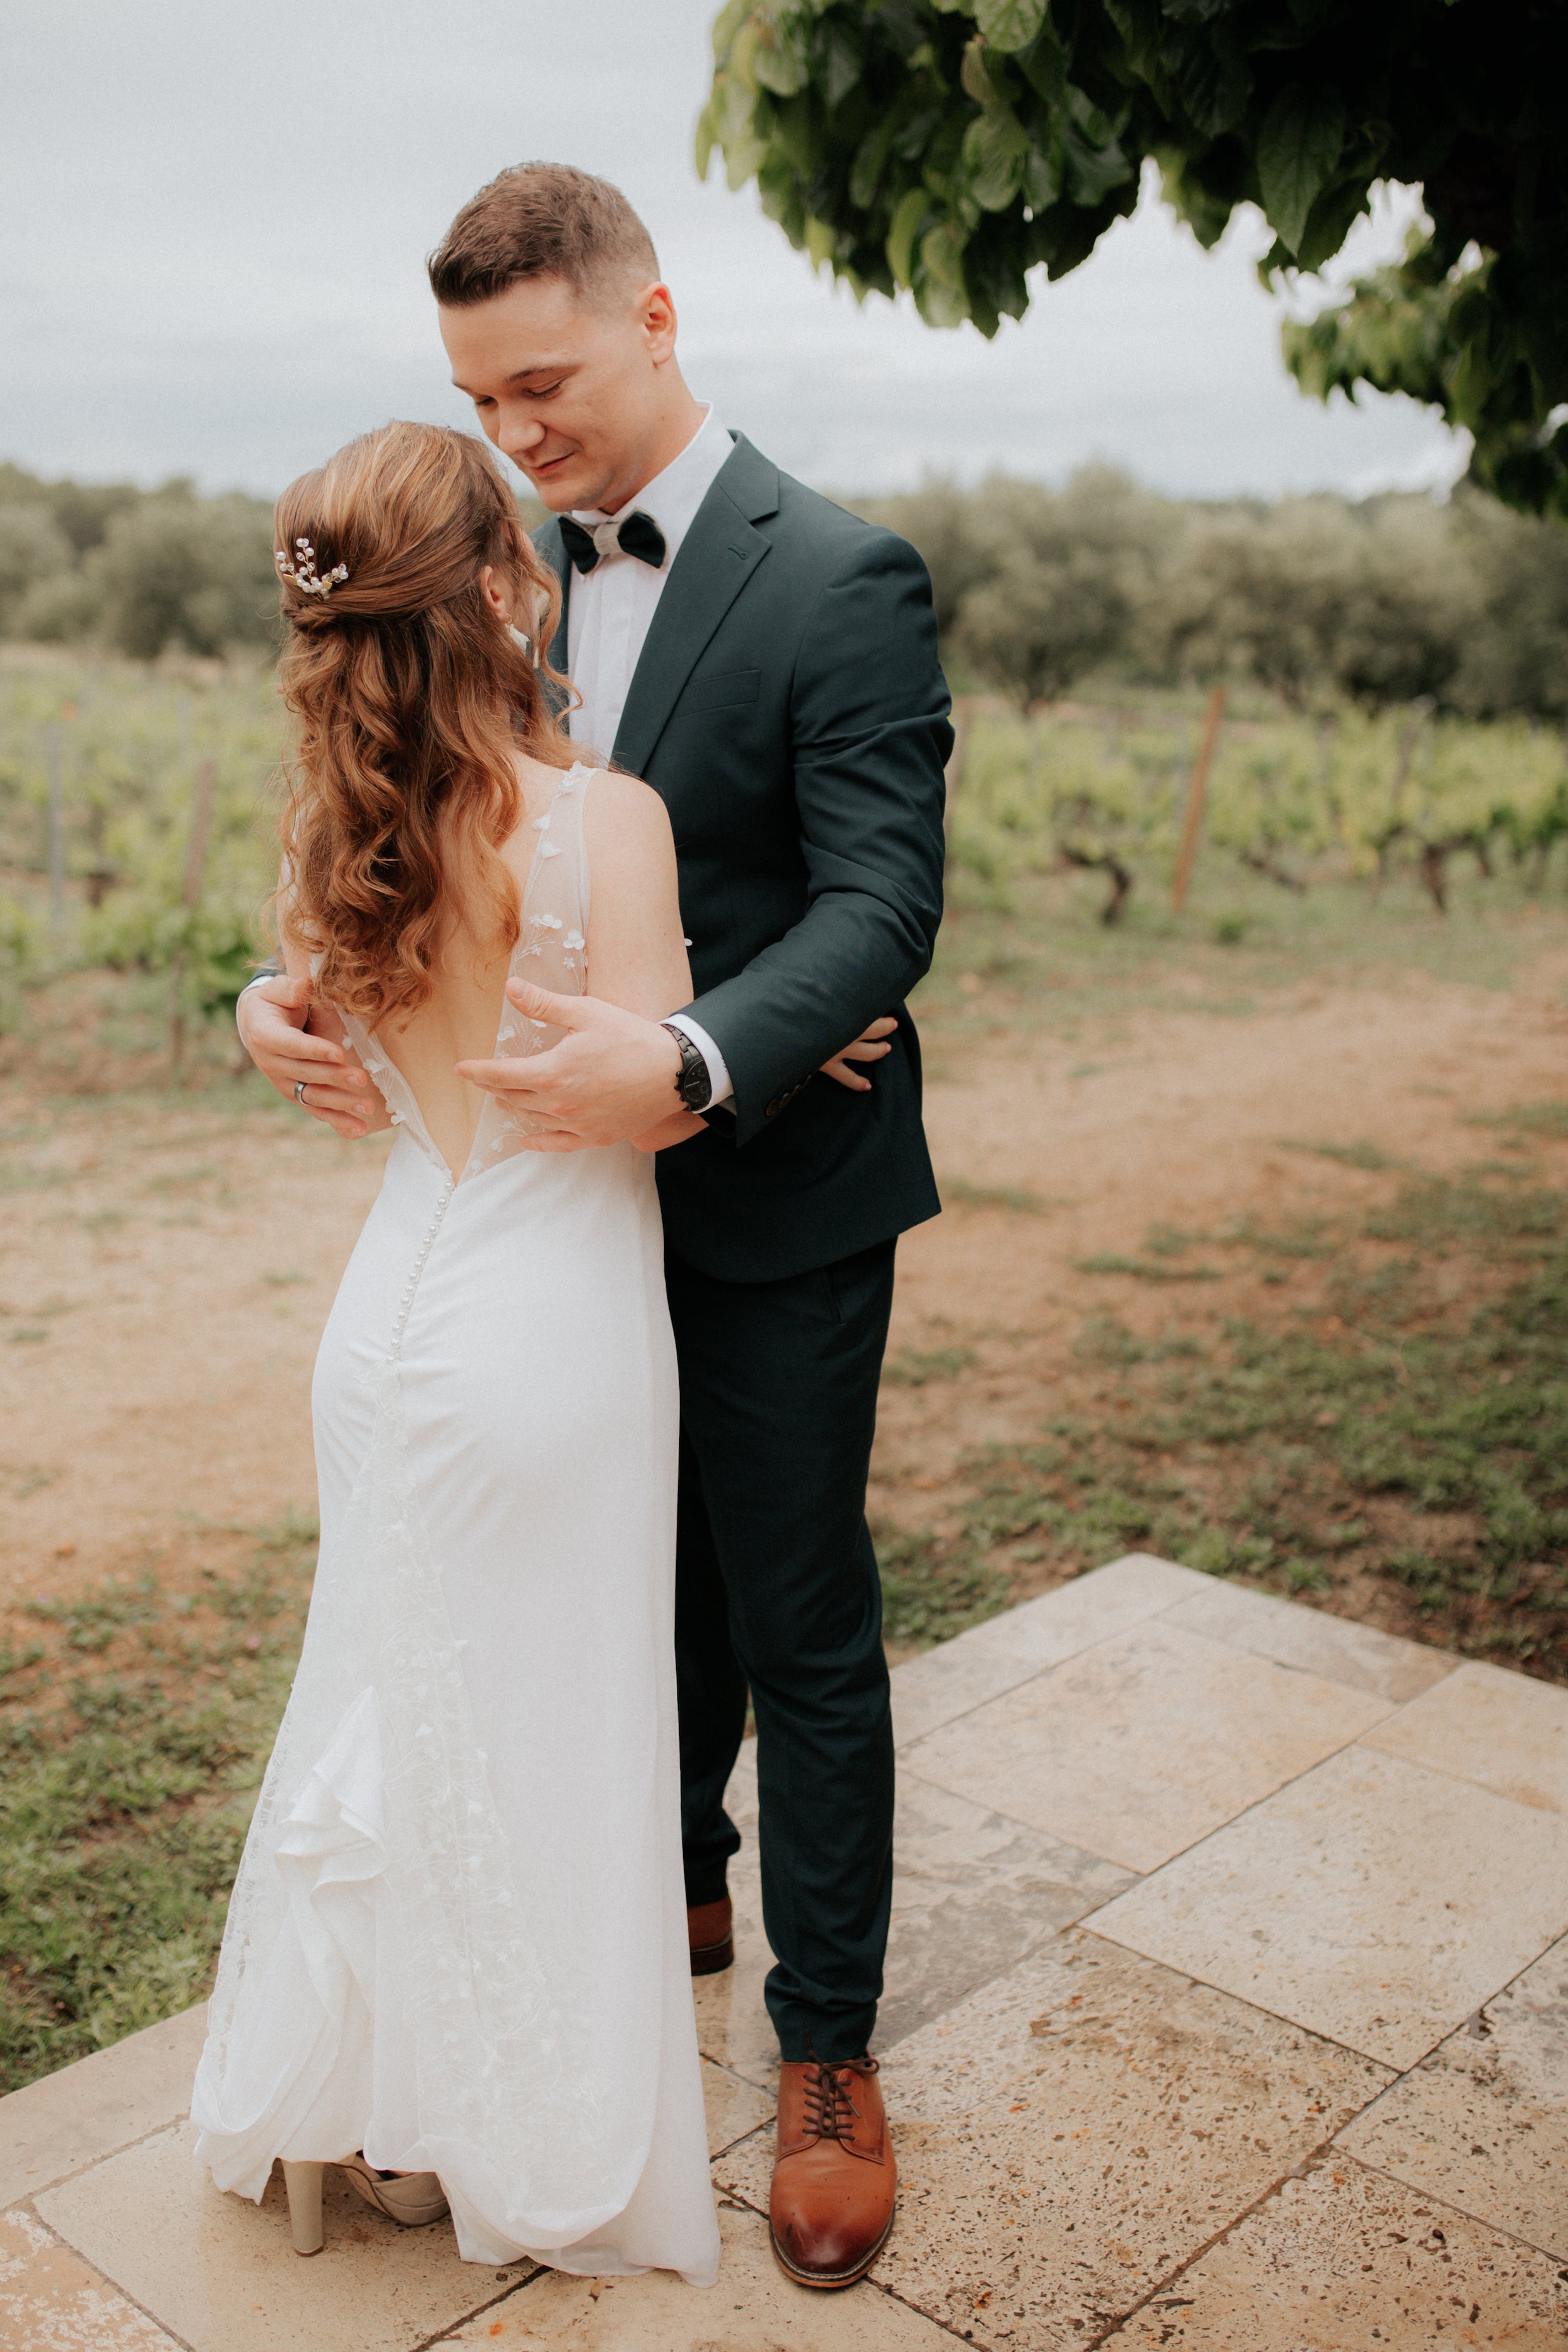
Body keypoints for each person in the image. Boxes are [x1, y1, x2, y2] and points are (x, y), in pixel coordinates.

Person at [235, 162, 950, 2291]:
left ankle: (820, 2054)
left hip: (773, 1190)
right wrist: (274, 992)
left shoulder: (841, 574)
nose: (518, 432)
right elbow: (395, 845)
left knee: (796, 1615)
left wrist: (716, 1055)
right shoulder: (474, 568)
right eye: (479, 395)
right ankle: (675, 1888)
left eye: (540, 382)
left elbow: (879, 906)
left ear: (654, 318)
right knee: (623, 1607)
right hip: (546, 1235)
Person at [193, 421, 720, 2280]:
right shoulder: (605, 823)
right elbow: (650, 1095)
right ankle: (500, 2120)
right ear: (502, 586)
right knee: (542, 1727)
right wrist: (760, 1045)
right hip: (549, 1331)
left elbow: (319, 1013)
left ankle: (363, 2109)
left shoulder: (341, 830)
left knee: (393, 1707)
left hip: (388, 1316)